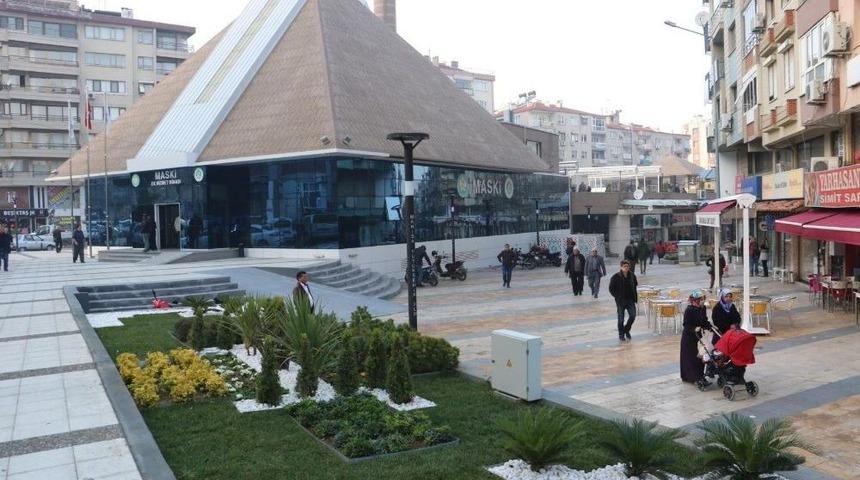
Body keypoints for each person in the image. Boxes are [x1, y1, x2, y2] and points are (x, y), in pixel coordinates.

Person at [680, 290, 712, 388]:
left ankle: (700, 376)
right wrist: (694, 328)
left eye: (703, 299)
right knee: (691, 358)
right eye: (701, 299)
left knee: (701, 356)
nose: (703, 301)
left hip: (699, 336)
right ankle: (692, 377)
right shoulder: (689, 310)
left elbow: (704, 321)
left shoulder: (703, 308)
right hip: (689, 338)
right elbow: (686, 324)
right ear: (695, 300)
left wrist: (710, 327)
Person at [609, 260, 638, 342]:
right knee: (621, 319)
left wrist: (634, 297)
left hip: (630, 300)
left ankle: (626, 330)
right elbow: (611, 288)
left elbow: (635, 285)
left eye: (627, 266)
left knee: (633, 315)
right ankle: (621, 334)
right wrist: (617, 296)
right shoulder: (615, 277)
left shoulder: (632, 276)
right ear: (621, 267)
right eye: (624, 266)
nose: (626, 268)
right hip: (620, 301)